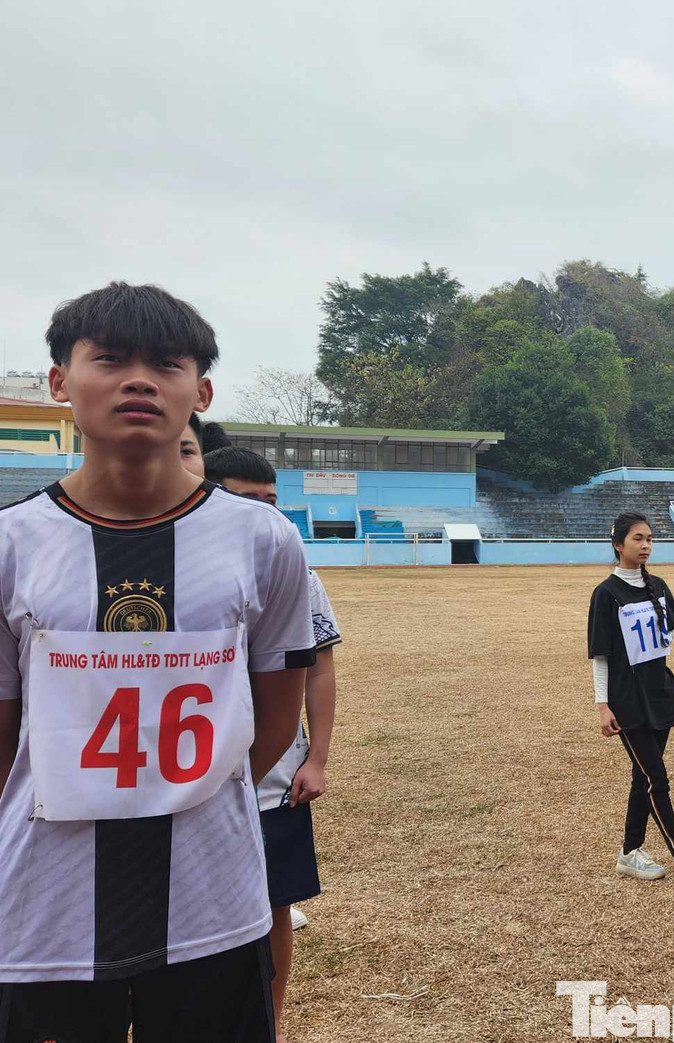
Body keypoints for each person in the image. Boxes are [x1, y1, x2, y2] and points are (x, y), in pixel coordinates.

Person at [0, 282, 314, 1042]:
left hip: (214, 897)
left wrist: (182, 786)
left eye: (165, 363)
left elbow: (272, 720)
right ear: (59, 382)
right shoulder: (12, 544)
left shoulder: (264, 541)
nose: (138, 379)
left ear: (199, 390)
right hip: (46, 909)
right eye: (108, 358)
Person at [204, 445, 344, 1041]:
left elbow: (319, 667)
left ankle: (272, 1024)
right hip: (196, 784)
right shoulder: (184, 570)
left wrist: (316, 757)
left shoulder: (300, 575)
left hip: (275, 784)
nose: (264, 516)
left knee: (275, 909)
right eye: (245, 501)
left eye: (271, 503)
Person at [589, 511, 674, 885]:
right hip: (627, 701)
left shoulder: (659, 585)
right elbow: (600, 654)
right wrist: (603, 705)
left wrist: (664, 640)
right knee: (655, 777)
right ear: (618, 544)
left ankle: (630, 851)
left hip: (660, 694)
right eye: (637, 539)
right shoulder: (606, 595)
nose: (645, 545)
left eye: (649, 538)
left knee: (643, 775)